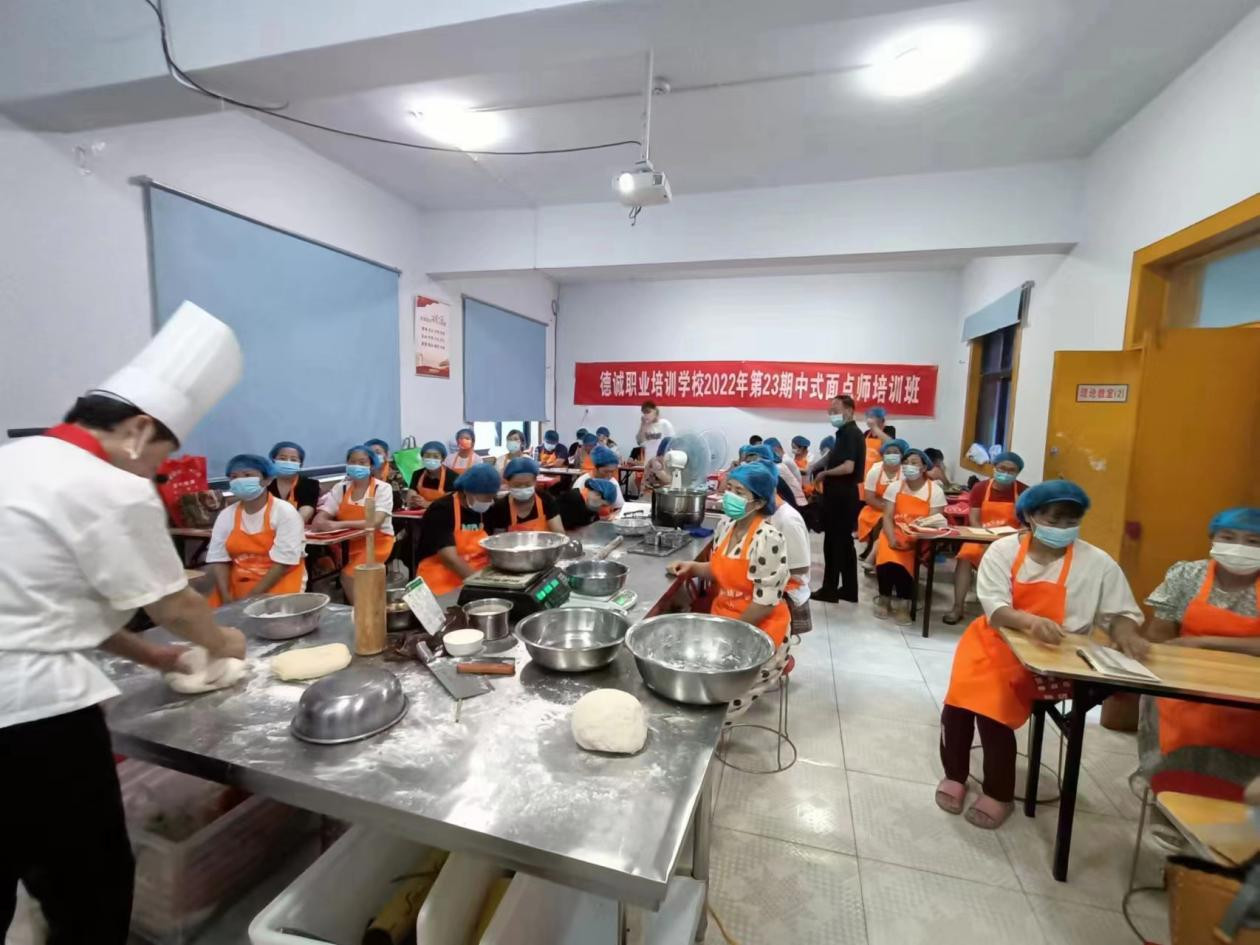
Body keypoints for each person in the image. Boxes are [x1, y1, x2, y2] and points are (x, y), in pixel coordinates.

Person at [0, 303, 246, 944]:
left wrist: (152, 656)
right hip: (32, 725)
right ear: (138, 430)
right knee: (88, 889)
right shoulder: (110, 484)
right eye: (162, 455)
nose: (155, 472)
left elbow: (41, 602)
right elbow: (176, 606)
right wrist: (224, 641)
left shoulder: (15, 461)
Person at [937, 481, 1147, 829]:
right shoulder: (1003, 551)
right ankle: (954, 774)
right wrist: (1031, 622)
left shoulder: (1098, 563)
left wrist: (1127, 634)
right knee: (959, 704)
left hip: (1056, 657)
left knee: (992, 709)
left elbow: (1121, 612)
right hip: (994, 643)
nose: (1064, 528)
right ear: (1031, 517)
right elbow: (996, 608)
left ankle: (999, 792)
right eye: (1055, 519)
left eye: (1072, 521)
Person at [667, 463, 791, 717]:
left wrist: (730, 635)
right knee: (696, 688)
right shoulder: (726, 526)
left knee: (717, 708)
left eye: (739, 492)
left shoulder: (767, 538)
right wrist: (693, 568)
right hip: (725, 621)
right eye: (729, 489)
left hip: (759, 630)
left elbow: (765, 602)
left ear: (758, 502)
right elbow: (721, 569)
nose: (729, 496)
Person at [1144, 507, 1260, 765]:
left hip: (1250, 693)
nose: (1239, 548)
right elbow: (1159, 636)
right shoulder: (1186, 575)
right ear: (1213, 538)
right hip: (1186, 685)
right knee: (1176, 768)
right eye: (1228, 537)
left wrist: (1204, 642)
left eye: (1253, 541)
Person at [206, 454, 306, 606]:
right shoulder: (227, 515)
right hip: (239, 580)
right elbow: (219, 559)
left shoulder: (285, 512)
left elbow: (283, 563)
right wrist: (226, 597)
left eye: (247, 475)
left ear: (267, 480)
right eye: (234, 477)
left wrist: (248, 600)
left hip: (279, 580)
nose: (240, 480)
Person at [943, 451, 1028, 625]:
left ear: (1018, 472)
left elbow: (1025, 523)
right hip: (981, 536)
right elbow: (974, 518)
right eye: (1001, 468)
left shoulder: (1024, 491)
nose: (1005, 473)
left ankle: (1004, 611)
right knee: (965, 558)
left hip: (1011, 541)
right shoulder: (980, 488)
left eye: (1011, 470)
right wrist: (985, 538)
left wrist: (1011, 540)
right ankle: (958, 607)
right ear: (994, 468)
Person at [311, 445, 395, 603]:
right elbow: (321, 517)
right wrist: (321, 521)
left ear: (371, 466)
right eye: (352, 462)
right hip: (347, 544)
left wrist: (338, 525)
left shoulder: (382, 488)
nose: (357, 466)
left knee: (349, 576)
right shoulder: (341, 488)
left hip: (376, 542)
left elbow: (375, 522)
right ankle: (365, 608)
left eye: (362, 462)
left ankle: (363, 614)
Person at [874, 448, 947, 623]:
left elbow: (934, 522)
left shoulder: (935, 491)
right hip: (895, 531)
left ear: (924, 468)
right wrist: (892, 538)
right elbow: (888, 517)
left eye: (914, 463)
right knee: (885, 554)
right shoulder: (895, 487)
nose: (908, 466)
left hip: (921, 537)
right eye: (905, 463)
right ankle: (884, 598)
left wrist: (913, 540)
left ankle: (904, 603)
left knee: (905, 560)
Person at [414, 464, 501, 594]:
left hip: (475, 576)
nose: (490, 501)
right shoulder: (442, 509)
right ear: (467, 490)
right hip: (441, 583)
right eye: (486, 496)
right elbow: (449, 558)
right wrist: (480, 586)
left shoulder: (484, 510)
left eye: (492, 496)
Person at [813, 395, 865, 603]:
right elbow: (836, 458)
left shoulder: (850, 433)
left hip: (842, 497)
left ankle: (830, 590)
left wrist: (824, 474)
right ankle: (850, 590)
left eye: (835, 411)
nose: (831, 415)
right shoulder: (845, 433)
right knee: (844, 544)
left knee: (833, 544)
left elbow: (848, 467)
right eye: (830, 411)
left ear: (850, 411)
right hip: (843, 495)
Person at [856, 438, 907, 560]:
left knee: (890, 521)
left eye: (895, 452)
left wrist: (894, 510)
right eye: (888, 453)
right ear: (883, 456)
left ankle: (876, 553)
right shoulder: (875, 471)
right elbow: (869, 498)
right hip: (875, 508)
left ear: (902, 455)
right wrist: (888, 509)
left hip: (901, 509)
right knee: (881, 520)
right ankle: (875, 551)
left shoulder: (905, 473)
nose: (891, 455)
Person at [485, 457, 565, 535]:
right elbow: (499, 538)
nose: (523, 488)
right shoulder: (501, 507)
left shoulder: (546, 500)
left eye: (527, 485)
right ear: (508, 483)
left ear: (535, 481)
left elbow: (559, 533)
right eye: (517, 485)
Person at [267, 441, 321, 524]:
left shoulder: (310, 484)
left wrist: (286, 528)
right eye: (282, 458)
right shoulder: (266, 486)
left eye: (293, 460)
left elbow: (305, 513)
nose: (288, 462)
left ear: (300, 464)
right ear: (273, 461)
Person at [574, 446, 625, 518]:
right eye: (606, 471)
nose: (609, 475)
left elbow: (619, 508)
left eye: (612, 472)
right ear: (595, 467)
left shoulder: (612, 482)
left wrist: (613, 515)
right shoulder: (581, 482)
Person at [861, 406, 897, 496]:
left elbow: (890, 443)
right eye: (868, 417)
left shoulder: (889, 430)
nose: (869, 419)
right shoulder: (866, 433)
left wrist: (875, 428)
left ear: (881, 419)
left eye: (872, 417)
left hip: (881, 471)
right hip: (866, 472)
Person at [407, 441, 454, 508]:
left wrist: (428, 504)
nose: (431, 459)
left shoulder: (452, 476)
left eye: (436, 456)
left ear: (443, 459)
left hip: (442, 512)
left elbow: (449, 502)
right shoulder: (417, 474)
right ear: (422, 457)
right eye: (427, 456)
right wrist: (414, 501)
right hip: (419, 513)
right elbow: (410, 498)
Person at [764, 438, 807, 507]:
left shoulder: (784, 461)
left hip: (795, 497)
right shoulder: (785, 458)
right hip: (795, 493)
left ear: (776, 448)